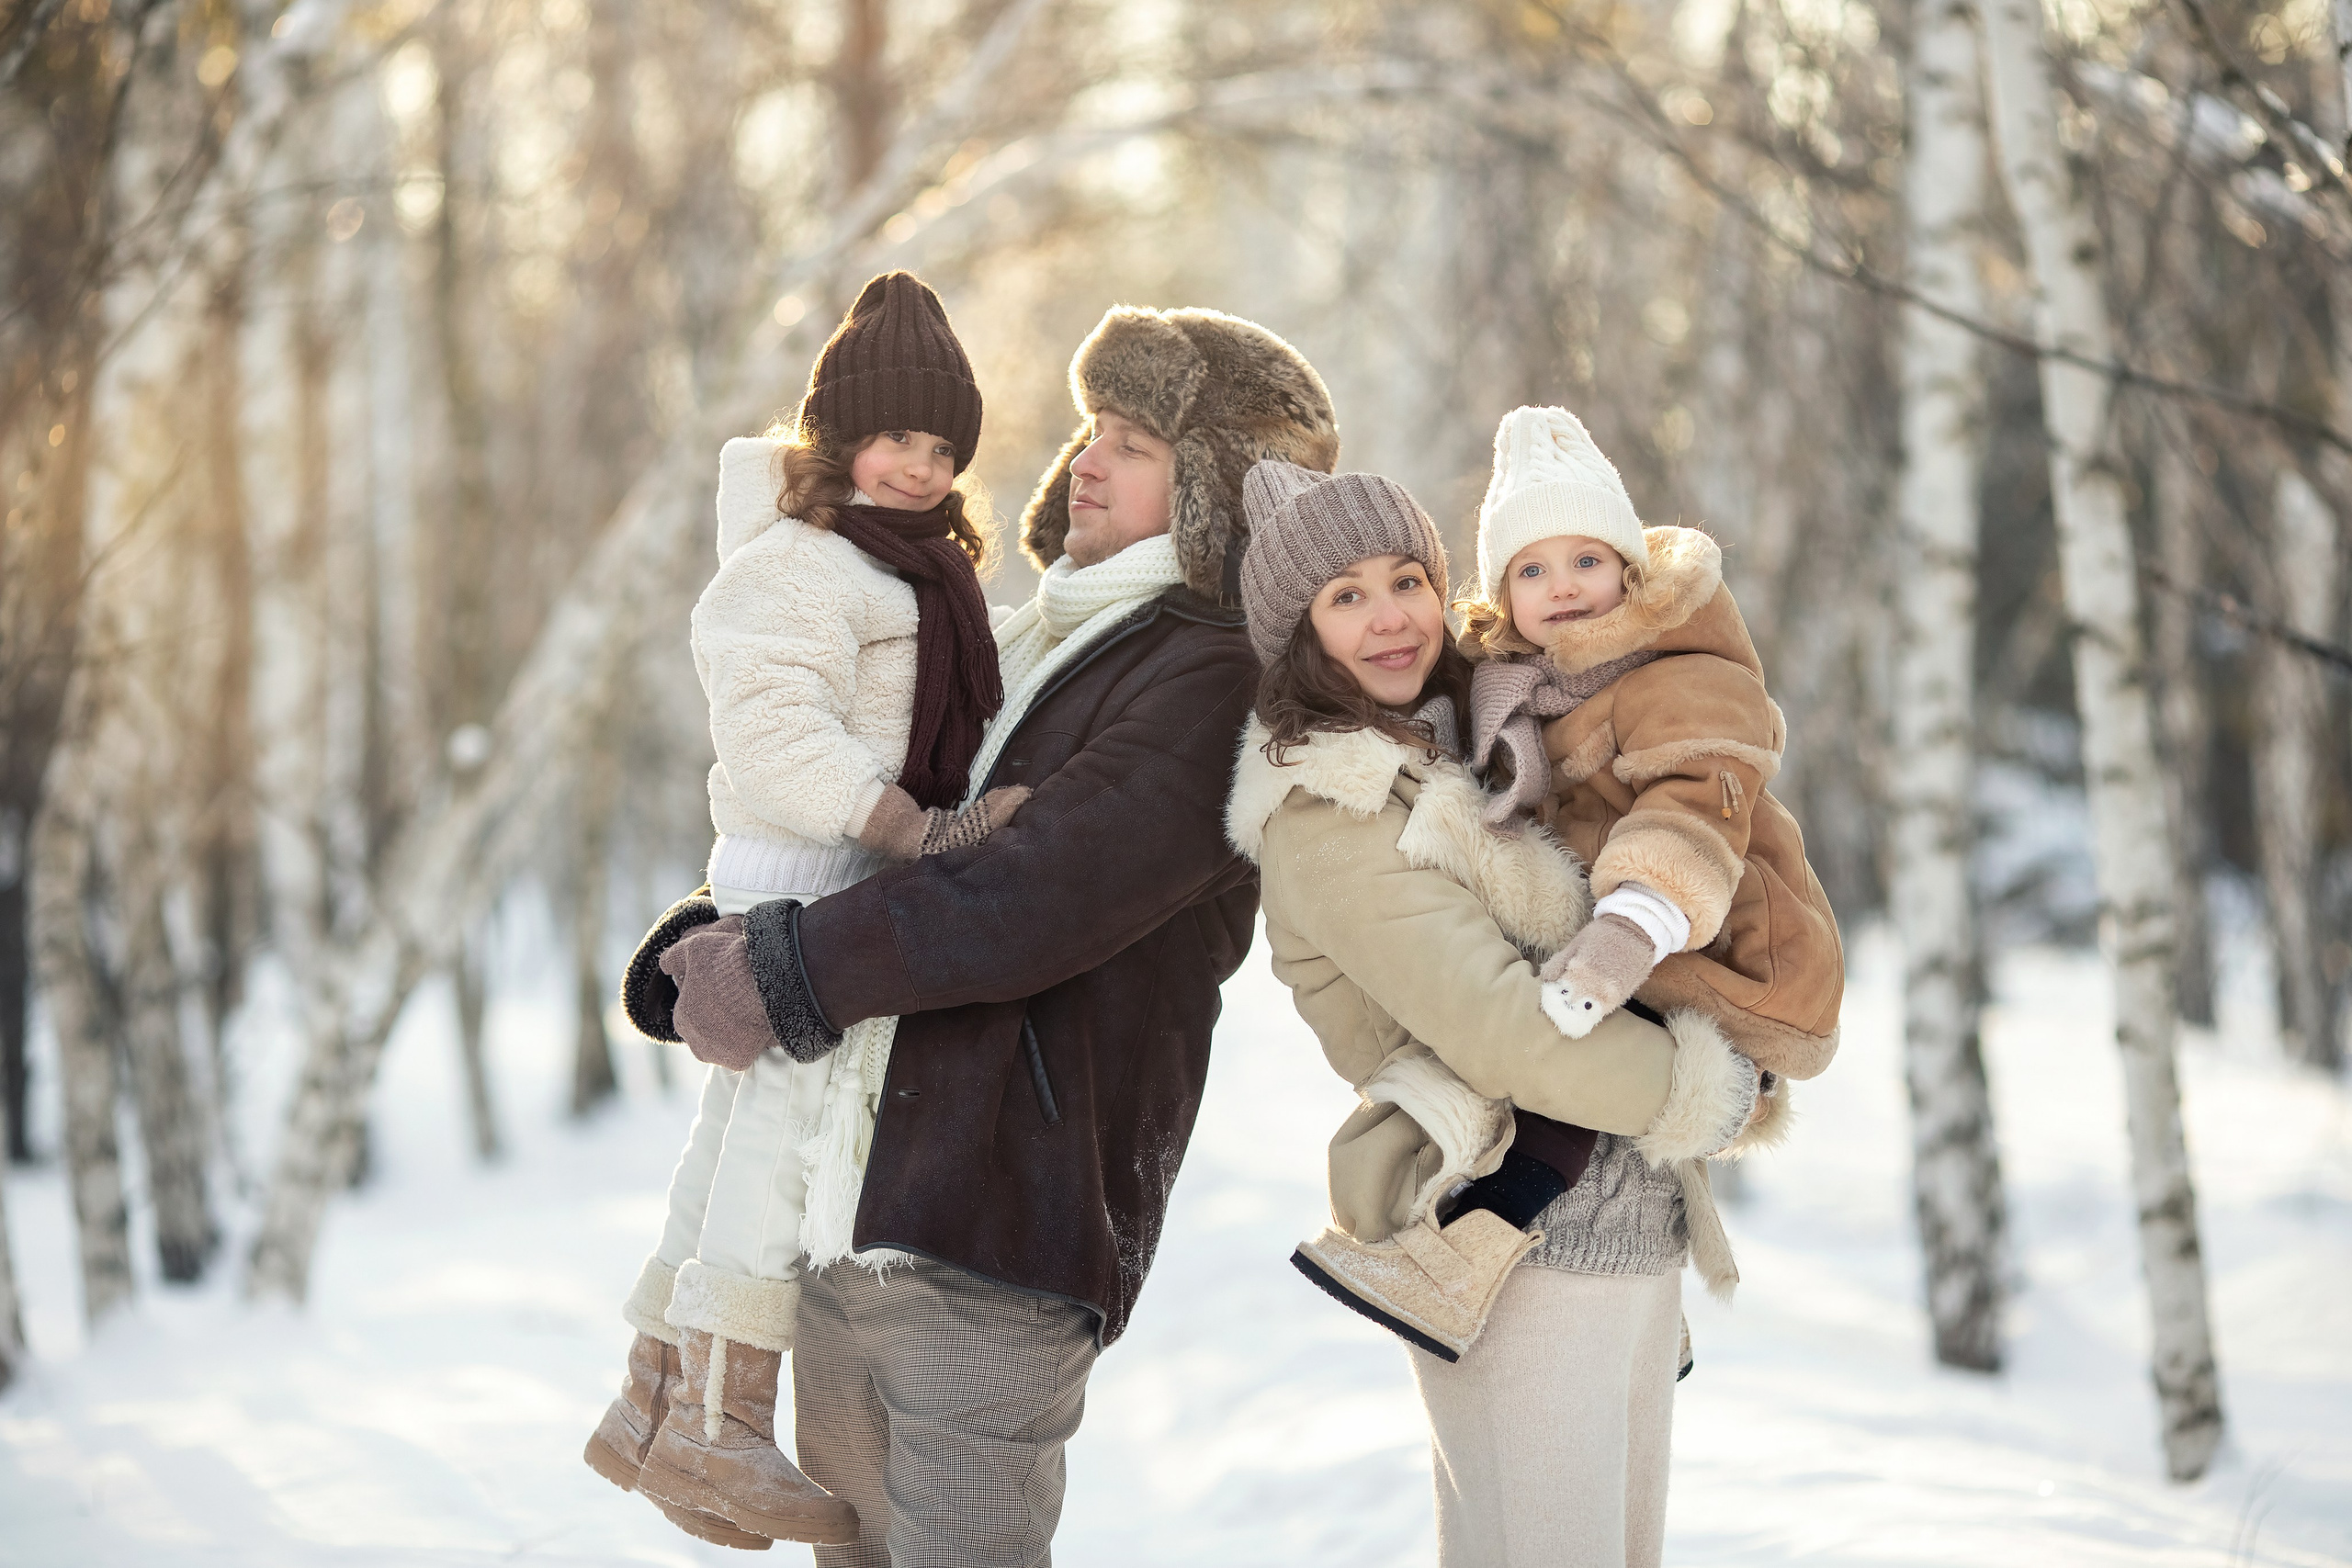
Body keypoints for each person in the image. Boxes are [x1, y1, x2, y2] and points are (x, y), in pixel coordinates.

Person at [621, 305, 1341, 1566]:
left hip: (999, 1220)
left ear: (1214, 492)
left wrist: (782, 966)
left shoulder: (1215, 674)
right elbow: (902, 832)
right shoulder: (1040, 632)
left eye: (1133, 443)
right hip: (859, 1202)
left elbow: (1031, 893)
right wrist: (722, 932)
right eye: (1091, 428)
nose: (1086, 461)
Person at [1227, 457, 1785, 1568]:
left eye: (1405, 581)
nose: (1391, 618)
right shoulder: (1328, 806)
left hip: (1622, 1220)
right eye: (1346, 597)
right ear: (1300, 637)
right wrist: (1710, 1091)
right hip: (1506, 1239)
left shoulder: (1489, 740)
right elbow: (1500, 1029)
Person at [582, 271, 1026, 1550]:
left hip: (827, 871)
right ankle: (722, 1422)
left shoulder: (911, 568)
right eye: (897, 437)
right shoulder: (800, 561)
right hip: (803, 871)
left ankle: (652, 1401)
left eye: (943, 449)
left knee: (731, 1131)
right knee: (780, 1130)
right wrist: (910, 828)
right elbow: (773, 731)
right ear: (840, 437)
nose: (921, 467)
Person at [1459, 405, 1843, 1083]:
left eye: (1586, 560)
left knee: (1572, 1095)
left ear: (1628, 572)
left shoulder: (1679, 672)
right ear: (1504, 596)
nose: (1563, 585)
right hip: (1618, 966)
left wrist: (1626, 936)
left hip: (1737, 958)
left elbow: (1690, 804)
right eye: (1532, 571)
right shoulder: (1520, 695)